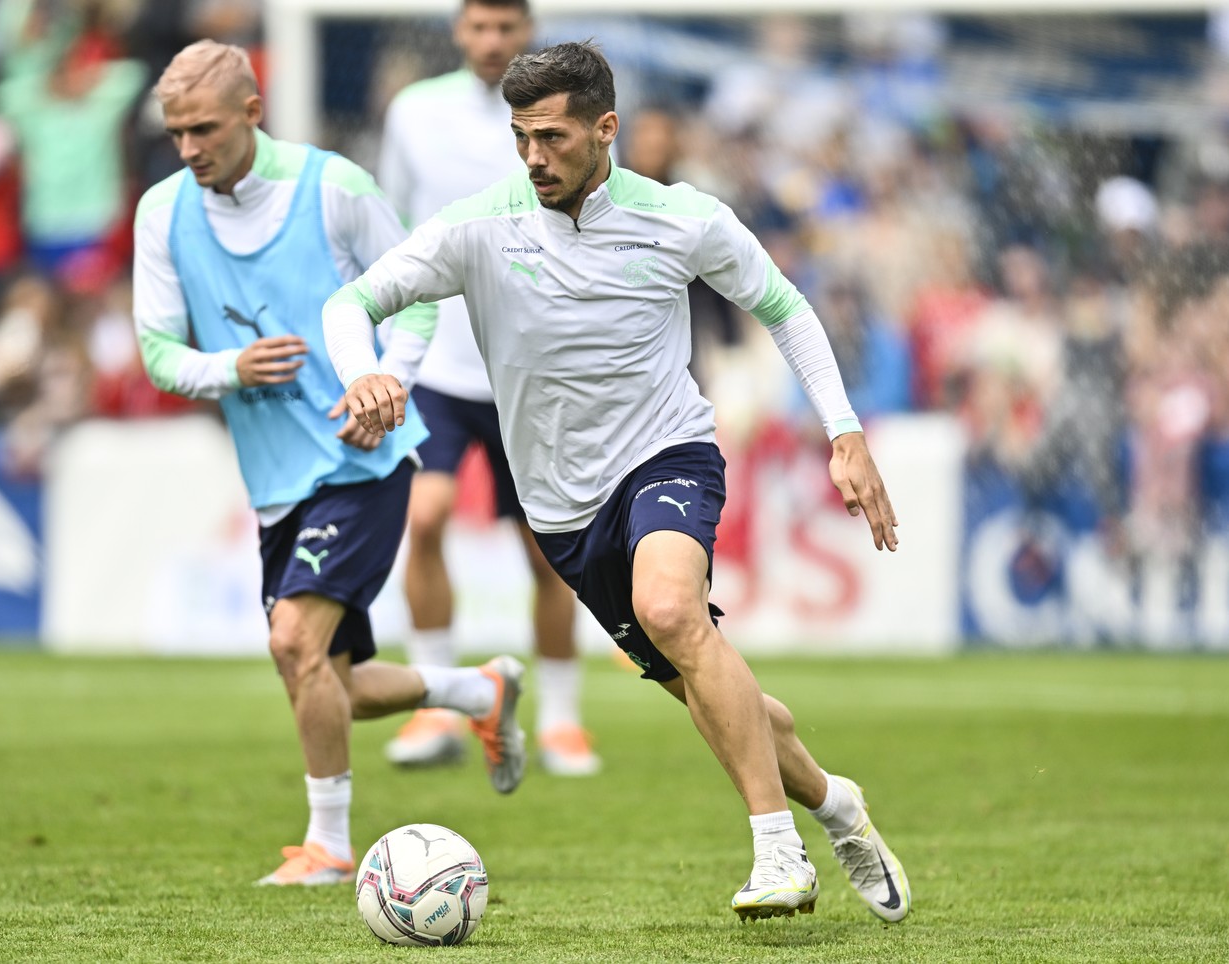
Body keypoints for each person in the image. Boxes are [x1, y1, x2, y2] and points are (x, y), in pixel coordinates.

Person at [325, 41, 910, 922]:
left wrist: (846, 433)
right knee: (722, 697)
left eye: (552, 137)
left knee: (674, 611)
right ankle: (836, 805)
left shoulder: (683, 218)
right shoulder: (478, 226)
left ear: (606, 129)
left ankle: (778, 854)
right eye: (521, 136)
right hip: (562, 510)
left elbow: (784, 306)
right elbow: (350, 305)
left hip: (668, 454)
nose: (533, 157)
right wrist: (360, 372)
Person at [131, 40, 528, 888]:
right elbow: (160, 353)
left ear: (252, 111)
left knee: (292, 643)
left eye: (204, 128)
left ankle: (330, 846)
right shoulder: (163, 213)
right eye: (176, 134)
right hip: (275, 482)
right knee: (331, 682)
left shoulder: (336, 189)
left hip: (365, 461)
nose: (190, 148)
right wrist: (227, 368)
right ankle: (477, 692)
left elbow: (419, 301)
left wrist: (388, 382)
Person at [375, 0, 600, 777]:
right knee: (427, 518)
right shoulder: (414, 112)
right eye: (479, 27)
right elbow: (390, 223)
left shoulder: (563, 117)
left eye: (506, 28)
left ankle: (564, 719)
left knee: (546, 553)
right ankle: (438, 703)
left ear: (527, 33)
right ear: (458, 33)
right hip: (437, 357)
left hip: (528, 366)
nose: (492, 41)